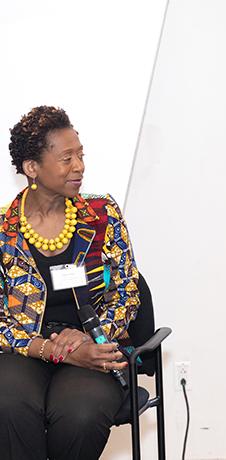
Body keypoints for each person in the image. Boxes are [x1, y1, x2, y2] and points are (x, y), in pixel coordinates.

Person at [0, 106, 140, 460]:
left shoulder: (103, 215)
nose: (79, 165)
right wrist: (50, 349)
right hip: (24, 349)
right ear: (32, 168)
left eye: (80, 155)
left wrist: (88, 338)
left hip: (94, 347)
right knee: (8, 407)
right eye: (66, 158)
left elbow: (127, 292)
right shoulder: (3, 229)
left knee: (79, 416)